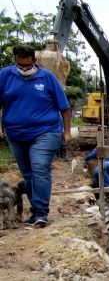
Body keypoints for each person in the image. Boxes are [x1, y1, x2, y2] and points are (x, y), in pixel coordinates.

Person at [0, 44, 71, 227]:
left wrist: (67, 132)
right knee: (28, 174)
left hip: (46, 131)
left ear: (34, 61)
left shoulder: (47, 78)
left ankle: (41, 212)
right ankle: (34, 211)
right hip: (16, 133)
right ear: (15, 61)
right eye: (20, 66)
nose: (24, 70)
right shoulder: (5, 76)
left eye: (27, 66)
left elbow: (64, 108)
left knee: (39, 167)